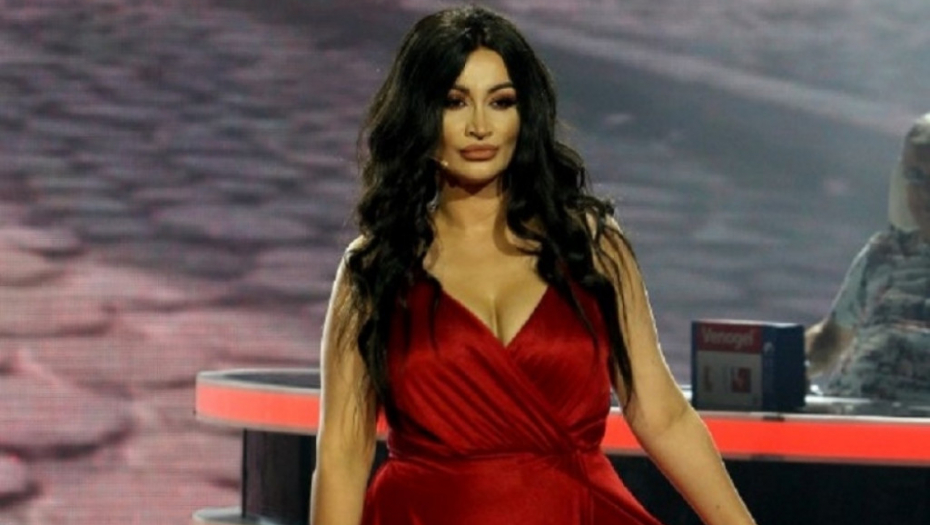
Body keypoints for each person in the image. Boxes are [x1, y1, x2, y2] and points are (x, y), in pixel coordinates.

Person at [310, 6, 756, 525]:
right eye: (455, 102)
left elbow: (662, 415)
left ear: (525, 115)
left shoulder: (591, 247)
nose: (480, 127)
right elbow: (342, 453)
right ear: (421, 115)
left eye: (501, 102)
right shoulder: (375, 268)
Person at [806, 113, 930, 403]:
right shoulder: (883, 254)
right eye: (916, 177)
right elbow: (831, 339)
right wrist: (774, 365)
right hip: (848, 416)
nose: (926, 193)